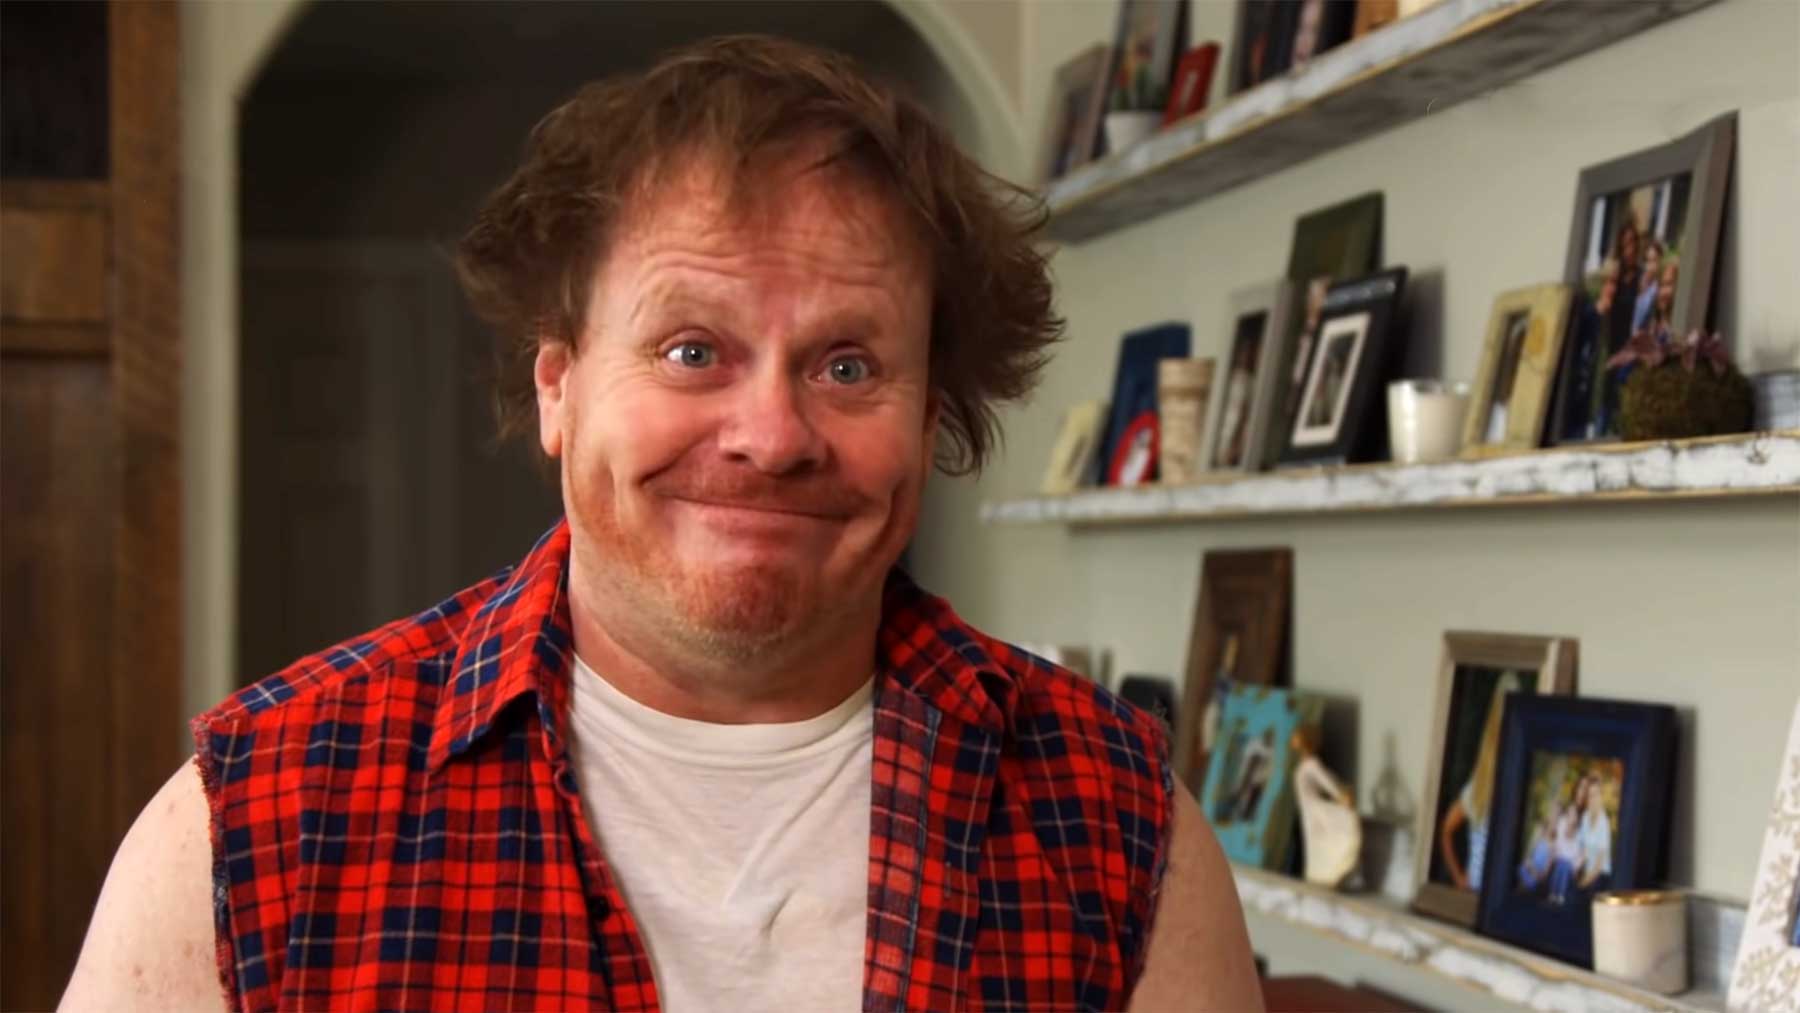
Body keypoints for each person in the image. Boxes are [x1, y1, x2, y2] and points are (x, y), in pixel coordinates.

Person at [59, 37, 1262, 1013]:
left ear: (930, 413)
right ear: (558, 386)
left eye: (848, 365)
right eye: (692, 350)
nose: (773, 434)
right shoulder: (254, 821)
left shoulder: (1120, 822)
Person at [1437, 674, 1516, 891]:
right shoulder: (1478, 788)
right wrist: (1460, 879)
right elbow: (1446, 830)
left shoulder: (1513, 789)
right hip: (1473, 895)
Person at [1576, 772, 1614, 889]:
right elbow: (1582, 851)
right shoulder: (1585, 817)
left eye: (1596, 794)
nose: (1593, 799)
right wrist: (1576, 870)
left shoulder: (1604, 823)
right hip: (1586, 872)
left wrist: (1583, 883)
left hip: (1600, 876)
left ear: (1601, 796)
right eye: (1590, 795)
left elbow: (1599, 864)